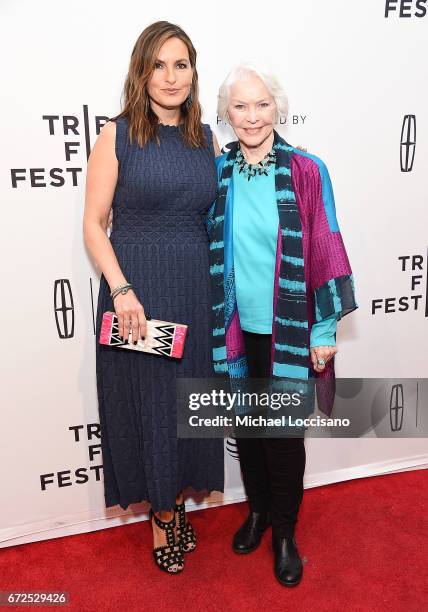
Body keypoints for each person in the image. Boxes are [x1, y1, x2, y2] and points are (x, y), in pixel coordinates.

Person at [207, 62, 358, 586]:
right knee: (247, 430)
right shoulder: (219, 173)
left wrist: (322, 332)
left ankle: (286, 533)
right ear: (226, 114)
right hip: (234, 329)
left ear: (278, 107)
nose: (252, 116)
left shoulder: (306, 170)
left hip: (288, 330)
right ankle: (259, 512)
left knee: (283, 435)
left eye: (262, 104)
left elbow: (326, 245)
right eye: (240, 106)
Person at [83, 21, 224, 575]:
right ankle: (162, 515)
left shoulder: (205, 139)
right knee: (152, 404)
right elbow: (95, 225)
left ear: (193, 73)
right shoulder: (116, 136)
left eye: (181, 65)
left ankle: (178, 500)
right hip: (136, 294)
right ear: (141, 71)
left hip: (193, 289)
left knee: (188, 402)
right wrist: (121, 290)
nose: (170, 77)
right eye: (159, 65)